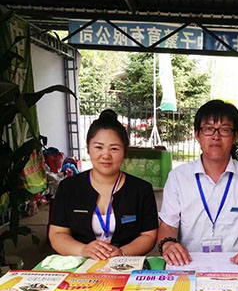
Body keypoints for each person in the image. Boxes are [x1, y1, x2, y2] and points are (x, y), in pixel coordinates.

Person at [158, 100, 238, 267]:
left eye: (224, 130)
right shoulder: (178, 177)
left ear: (235, 136)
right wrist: (168, 245)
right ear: (197, 134)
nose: (216, 136)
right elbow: (168, 225)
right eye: (208, 129)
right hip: (189, 263)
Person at [49, 110, 158, 260]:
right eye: (98, 147)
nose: (106, 155)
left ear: (124, 151)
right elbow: (57, 234)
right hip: (80, 263)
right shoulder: (68, 187)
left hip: (125, 264)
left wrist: (122, 252)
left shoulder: (141, 190)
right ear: (88, 149)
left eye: (114, 149)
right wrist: (83, 250)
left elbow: (148, 235)